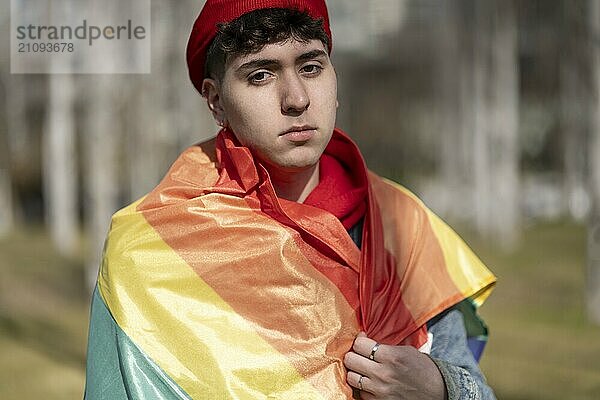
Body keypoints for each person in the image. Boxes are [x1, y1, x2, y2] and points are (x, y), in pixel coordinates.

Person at [84, 1, 497, 399]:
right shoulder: (153, 249)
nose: (296, 99)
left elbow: (476, 388)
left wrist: (441, 388)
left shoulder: (398, 222)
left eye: (311, 67)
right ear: (215, 100)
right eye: (261, 75)